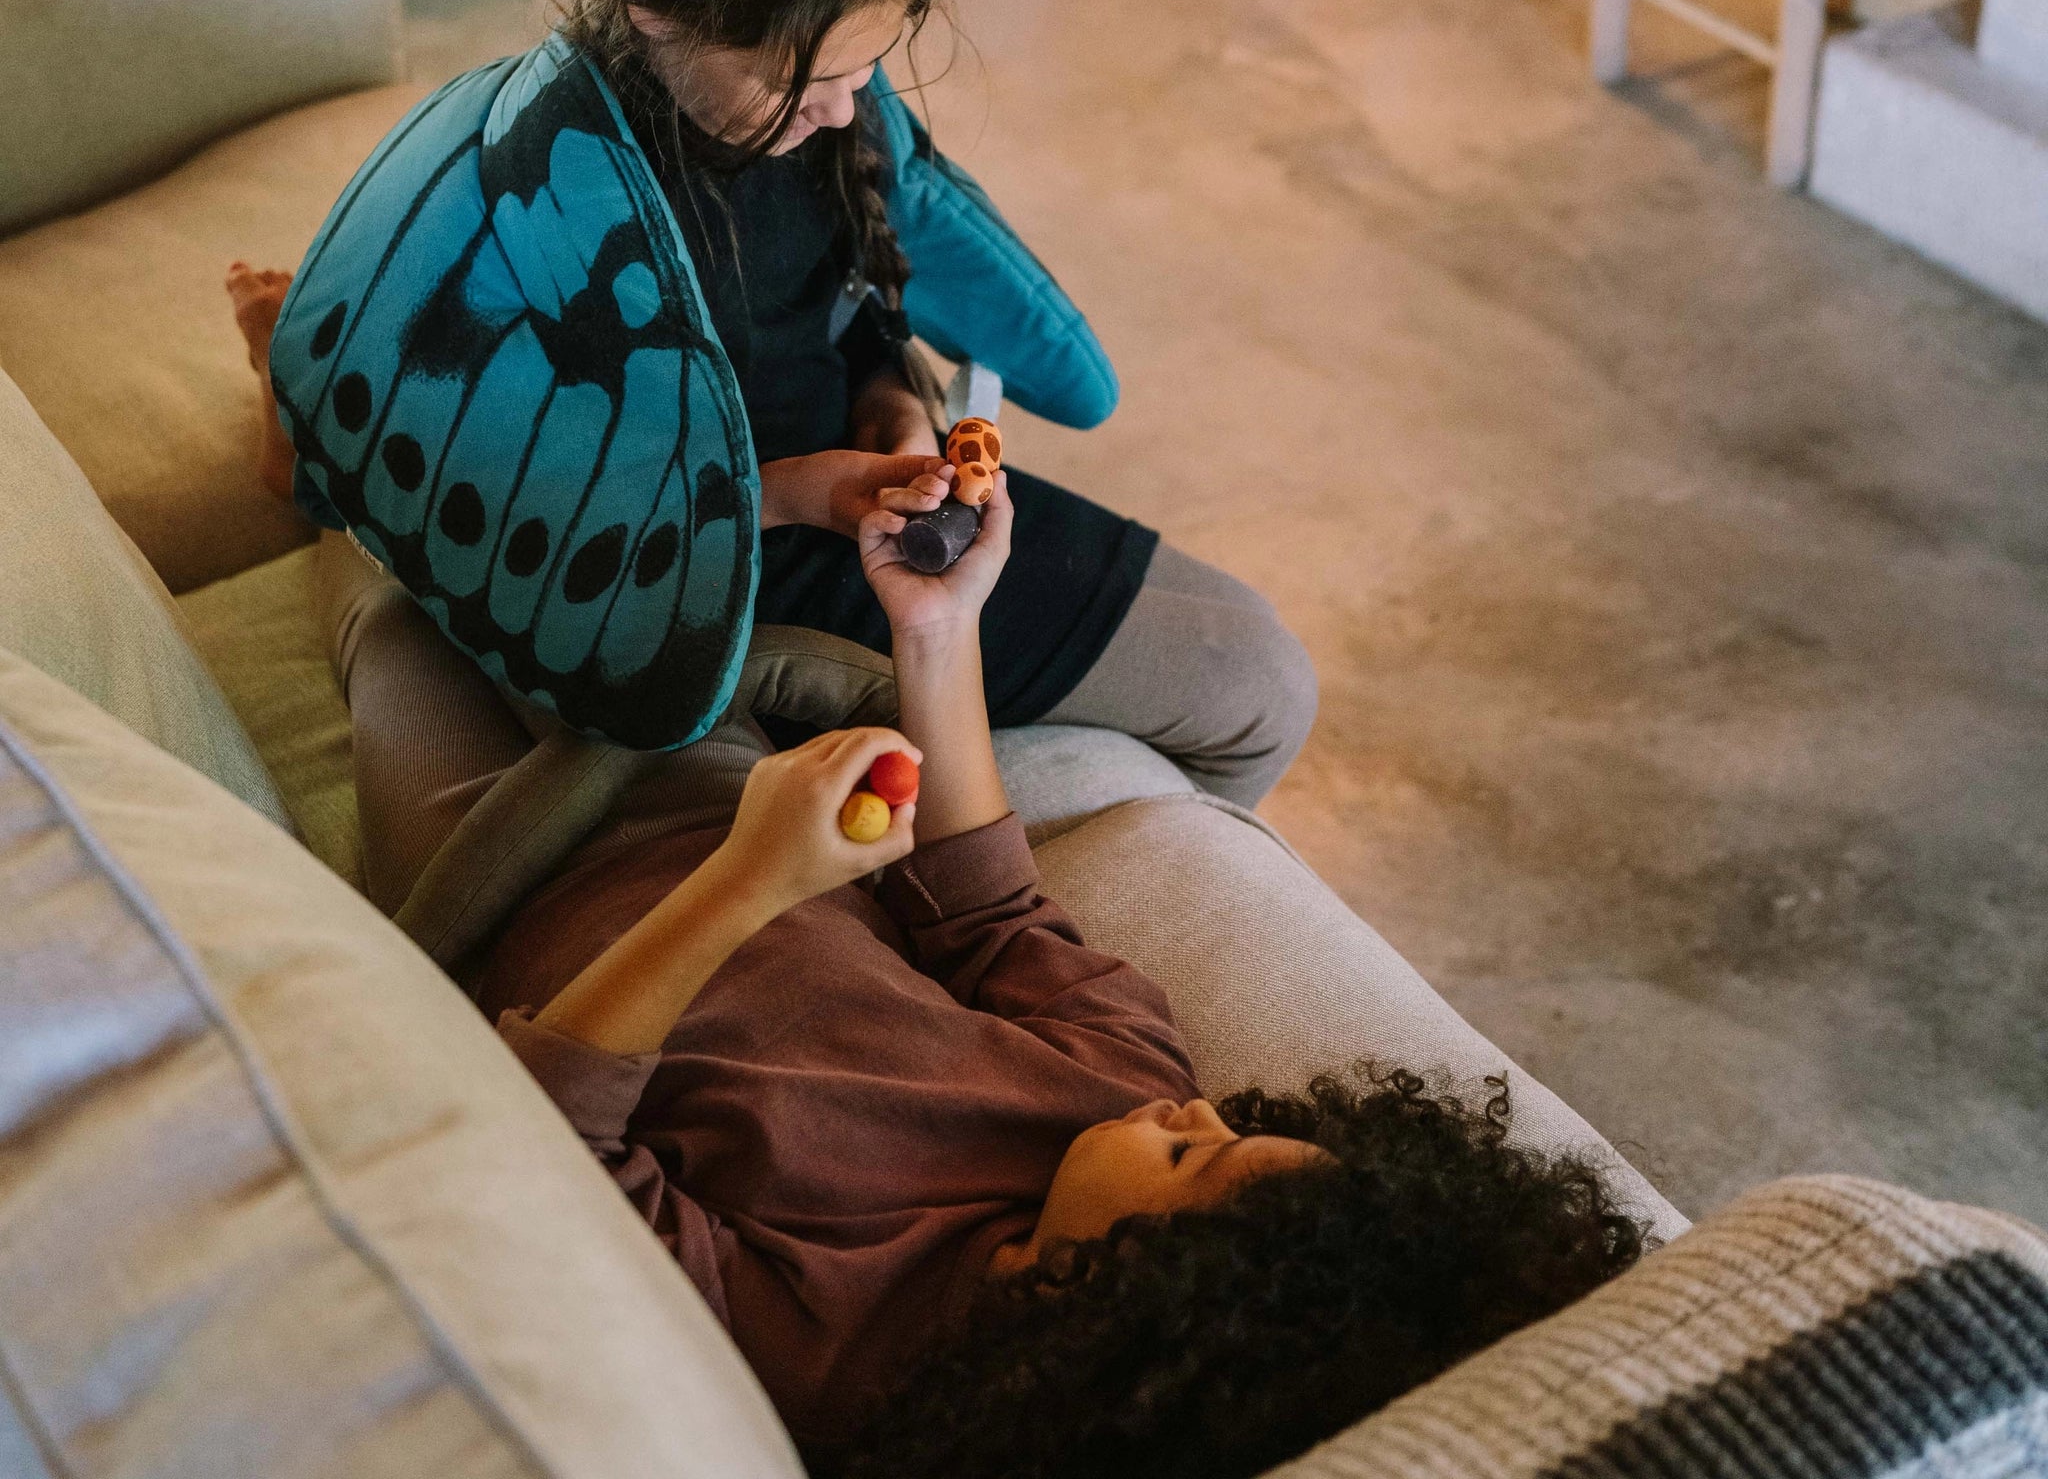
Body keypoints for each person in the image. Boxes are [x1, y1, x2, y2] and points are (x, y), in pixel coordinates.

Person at [230, 268, 1645, 1478]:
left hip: (509, 869)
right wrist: (938, 624)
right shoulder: (1116, 1090)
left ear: (1145, 1313)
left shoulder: (847, 1355)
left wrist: (748, 887)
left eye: (1201, 1159)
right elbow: (987, 895)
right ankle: (396, 386)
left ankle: (320, 461)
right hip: (716, 778)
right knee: (583, 535)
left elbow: (553, 1153)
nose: (1196, 1108)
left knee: (395, 585)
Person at [258, 0, 1315, 799]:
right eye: (797, 78)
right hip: (728, 563)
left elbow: (840, 307)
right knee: (1257, 686)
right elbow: (578, 521)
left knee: (1260, 655)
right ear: (655, 9)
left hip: (847, 497)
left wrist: (890, 401)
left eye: (866, 70)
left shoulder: (809, 128)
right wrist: (802, 489)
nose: (843, 111)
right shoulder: (558, 215)